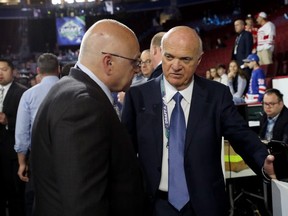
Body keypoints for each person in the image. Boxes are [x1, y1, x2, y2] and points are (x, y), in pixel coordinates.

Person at [122, 26, 275, 216]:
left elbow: (241, 135)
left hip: (205, 206)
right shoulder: (138, 97)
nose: (175, 66)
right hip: (154, 206)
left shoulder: (217, 95)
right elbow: (124, 156)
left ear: (199, 60)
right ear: (161, 55)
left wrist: (263, 161)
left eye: (185, 59)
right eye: (169, 57)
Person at [30, 19, 144, 216]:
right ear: (109, 63)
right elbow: (84, 206)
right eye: (135, 61)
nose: (138, 68)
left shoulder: (67, 88)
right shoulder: (83, 104)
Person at [14, 53, 60, 216]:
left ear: (39, 70)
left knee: (38, 201)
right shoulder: (74, 90)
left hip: (39, 157)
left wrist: (22, 163)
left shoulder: (29, 95)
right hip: (70, 154)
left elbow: (22, 132)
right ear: (59, 69)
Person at [0, 58, 27, 216]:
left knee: (16, 197)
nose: (0, 73)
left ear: (13, 72)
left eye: (4, 69)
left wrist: (7, 121)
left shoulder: (22, 92)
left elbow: (27, 123)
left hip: (12, 155)